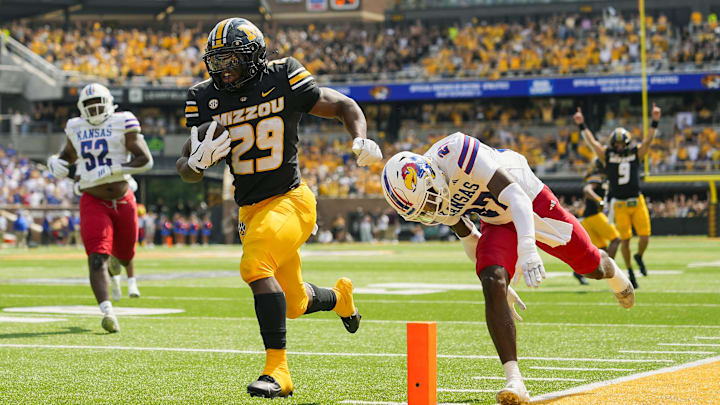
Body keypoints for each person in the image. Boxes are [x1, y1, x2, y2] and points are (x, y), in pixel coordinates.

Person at [175, 18, 382, 399]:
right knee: (294, 304)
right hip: (249, 211)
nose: (223, 69)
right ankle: (340, 298)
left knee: (255, 266)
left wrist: (361, 139)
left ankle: (278, 371)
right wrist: (196, 165)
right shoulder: (203, 97)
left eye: (232, 59)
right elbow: (184, 166)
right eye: (217, 61)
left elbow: (343, 105)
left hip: (291, 200)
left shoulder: (283, 76)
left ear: (254, 56)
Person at [381, 132, 634, 405]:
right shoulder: (429, 200)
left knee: (591, 266)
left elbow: (517, 196)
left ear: (430, 174)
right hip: (497, 220)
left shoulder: (456, 152)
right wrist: (504, 283)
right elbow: (469, 237)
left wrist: (527, 247)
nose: (432, 208)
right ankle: (515, 380)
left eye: (429, 200)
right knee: (491, 279)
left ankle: (614, 271)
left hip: (530, 199)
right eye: (422, 210)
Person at [46, 82, 153, 333]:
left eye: (98, 104)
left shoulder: (123, 121)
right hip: (92, 199)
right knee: (96, 257)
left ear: (108, 104)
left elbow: (145, 160)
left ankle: (120, 263)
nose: (94, 109)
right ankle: (107, 310)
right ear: (81, 108)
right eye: (89, 105)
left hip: (123, 197)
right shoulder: (75, 127)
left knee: (125, 254)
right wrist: (55, 161)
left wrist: (115, 170)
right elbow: (68, 155)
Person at [574, 104, 660, 287]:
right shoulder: (605, 160)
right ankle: (626, 271)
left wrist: (655, 121)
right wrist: (582, 126)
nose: (620, 147)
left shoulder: (635, 153)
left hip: (636, 200)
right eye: (617, 144)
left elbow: (648, 142)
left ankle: (635, 258)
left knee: (642, 237)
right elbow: (593, 143)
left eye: (623, 144)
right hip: (618, 204)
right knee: (623, 240)